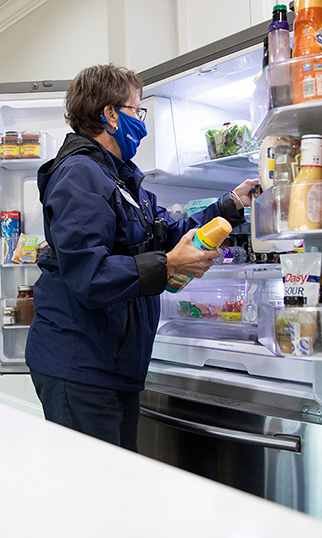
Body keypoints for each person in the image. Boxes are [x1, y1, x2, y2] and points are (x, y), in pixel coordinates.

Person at [25, 63, 258, 451]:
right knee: (94, 493)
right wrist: (169, 266)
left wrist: (231, 204)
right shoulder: (80, 175)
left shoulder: (120, 177)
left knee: (118, 488)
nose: (143, 123)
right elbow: (89, 275)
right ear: (110, 114)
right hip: (80, 364)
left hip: (114, 364)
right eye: (137, 110)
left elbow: (164, 233)